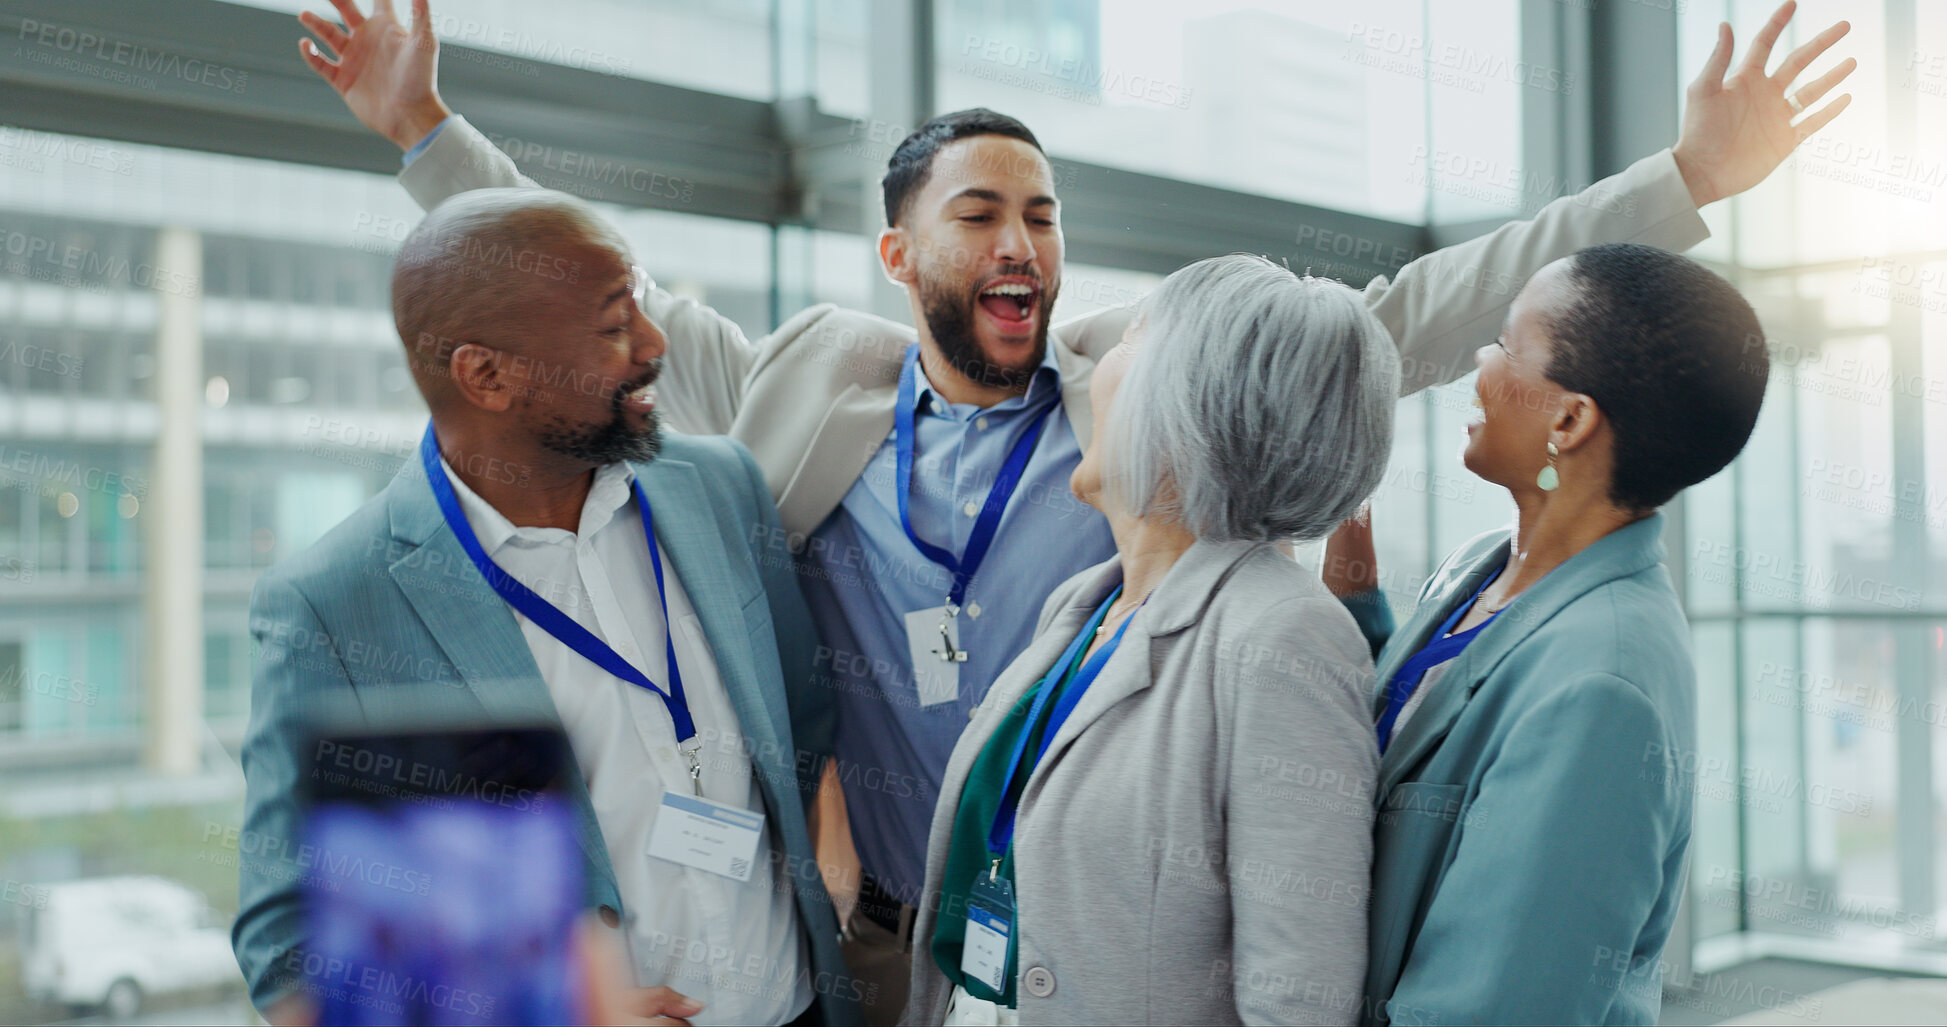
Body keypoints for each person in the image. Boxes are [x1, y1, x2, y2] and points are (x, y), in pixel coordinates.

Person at [293, 2, 1850, 1017]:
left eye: (1041, 212)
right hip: (885, 943)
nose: (1021, 239)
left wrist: (1683, 180)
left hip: (1109, 959)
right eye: (976, 214)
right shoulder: (799, 383)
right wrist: (427, 137)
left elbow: (1410, 312)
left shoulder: (1150, 391)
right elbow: (592, 294)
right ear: (901, 257)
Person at [232, 188, 858, 1026]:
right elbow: (287, 950)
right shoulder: (333, 605)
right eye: (612, 326)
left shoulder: (719, 484)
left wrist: (831, 825)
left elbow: (804, 717)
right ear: (486, 375)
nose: (654, 343)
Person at [903, 255, 1394, 1025]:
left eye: (1130, 336)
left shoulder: (1283, 634)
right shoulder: (1086, 602)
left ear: (1190, 399)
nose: (1094, 367)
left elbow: (1299, 996)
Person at [1322, 243, 1770, 1024]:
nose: (1479, 359)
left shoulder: (1602, 687)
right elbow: (1419, 749)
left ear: (1568, 418)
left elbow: (1493, 1009)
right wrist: (1355, 609)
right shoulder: (1479, 566)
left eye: (1503, 342)